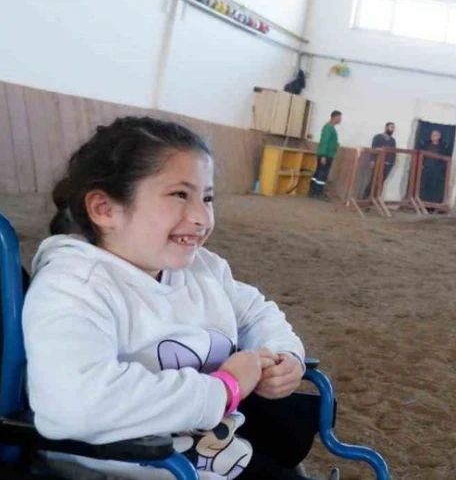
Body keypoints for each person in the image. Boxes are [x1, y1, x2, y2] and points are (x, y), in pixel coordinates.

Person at [23, 116, 326, 480]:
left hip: (217, 456)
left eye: (208, 197)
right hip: (131, 470)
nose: (202, 216)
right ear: (105, 209)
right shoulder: (73, 285)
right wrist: (224, 388)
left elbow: (255, 313)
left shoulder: (202, 268)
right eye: (180, 195)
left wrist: (284, 355)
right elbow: (73, 403)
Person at [309, 111, 341, 200]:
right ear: (335, 117)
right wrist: (323, 155)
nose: (340, 120)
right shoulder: (328, 128)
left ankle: (312, 192)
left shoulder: (331, 128)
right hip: (326, 155)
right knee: (322, 174)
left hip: (327, 155)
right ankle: (317, 193)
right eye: (339, 117)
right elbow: (324, 142)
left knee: (319, 173)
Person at [360, 122, 397, 200]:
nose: (392, 129)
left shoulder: (393, 141)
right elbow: (373, 149)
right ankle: (365, 199)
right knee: (372, 182)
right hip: (378, 163)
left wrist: (391, 164)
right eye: (391, 127)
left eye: (393, 128)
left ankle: (375, 200)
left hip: (387, 165)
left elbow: (393, 153)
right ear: (386, 127)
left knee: (381, 183)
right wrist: (372, 160)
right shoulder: (377, 137)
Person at [417, 129, 447, 207]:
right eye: (432, 135)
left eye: (435, 135)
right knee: (423, 186)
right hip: (426, 169)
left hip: (436, 172)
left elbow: (444, 160)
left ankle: (431, 206)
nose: (432, 136)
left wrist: (439, 169)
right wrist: (421, 164)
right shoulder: (426, 145)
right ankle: (420, 203)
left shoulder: (442, 148)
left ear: (439, 137)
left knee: (433, 187)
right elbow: (421, 155)